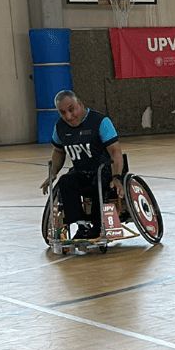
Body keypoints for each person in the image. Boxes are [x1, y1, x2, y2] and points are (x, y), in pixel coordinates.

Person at [40, 90, 124, 240]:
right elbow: (59, 152)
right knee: (66, 181)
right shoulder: (60, 127)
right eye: (62, 112)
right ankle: (82, 225)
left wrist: (117, 177)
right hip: (81, 171)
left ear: (80, 104)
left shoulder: (100, 121)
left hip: (104, 171)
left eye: (71, 109)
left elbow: (116, 152)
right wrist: (52, 173)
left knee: (98, 181)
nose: (68, 116)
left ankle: (98, 227)